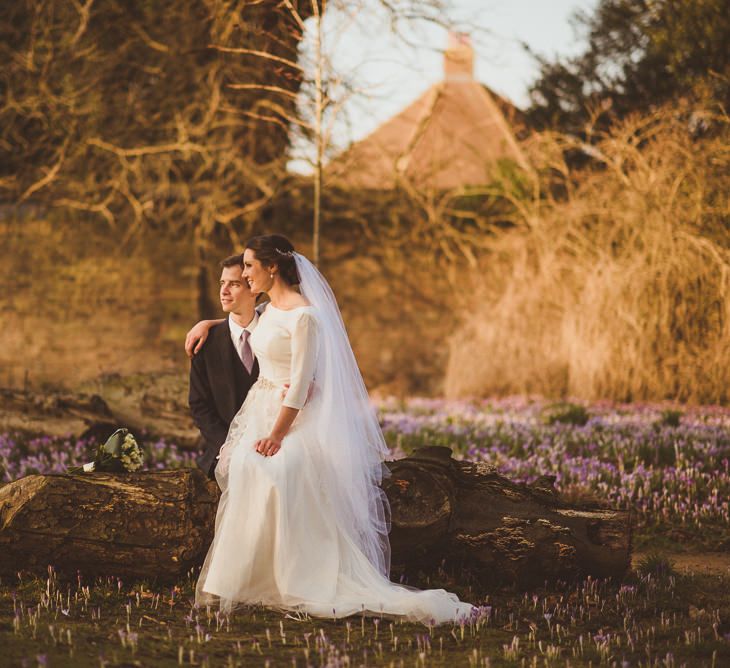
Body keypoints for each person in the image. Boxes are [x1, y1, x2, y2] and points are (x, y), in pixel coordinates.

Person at [191, 234, 474, 624]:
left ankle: (293, 576)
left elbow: (305, 379)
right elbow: (245, 325)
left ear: (272, 268)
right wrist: (207, 323)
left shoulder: (305, 315)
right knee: (246, 469)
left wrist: (276, 435)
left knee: (276, 470)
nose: (244, 274)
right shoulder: (268, 308)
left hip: (290, 420)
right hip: (259, 408)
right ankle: (249, 577)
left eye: (249, 267)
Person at [188, 254, 261, 479]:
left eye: (234, 284)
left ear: (254, 288)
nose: (224, 290)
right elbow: (199, 405)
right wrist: (227, 447)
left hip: (275, 448)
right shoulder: (205, 343)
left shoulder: (278, 333)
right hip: (224, 453)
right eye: (222, 283)